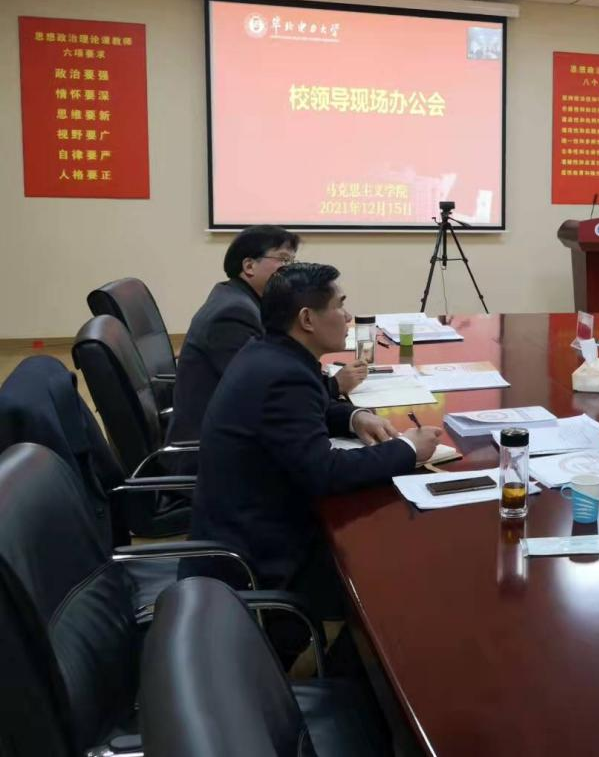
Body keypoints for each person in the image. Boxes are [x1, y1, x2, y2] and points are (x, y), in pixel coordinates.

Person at [185, 262, 442, 612]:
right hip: (262, 556)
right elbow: (325, 472)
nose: (347, 316)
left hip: (245, 524)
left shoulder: (269, 351)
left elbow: (310, 406)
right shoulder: (285, 375)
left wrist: (354, 416)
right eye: (339, 305)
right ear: (307, 319)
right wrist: (408, 448)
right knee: (402, 562)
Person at [166, 225, 367, 442]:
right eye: (284, 260)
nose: (291, 269)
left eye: (293, 261)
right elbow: (270, 393)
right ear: (249, 266)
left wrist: (351, 415)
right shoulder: (233, 313)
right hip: (205, 448)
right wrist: (334, 385)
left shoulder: (238, 298)